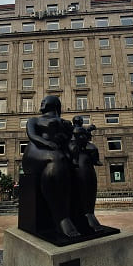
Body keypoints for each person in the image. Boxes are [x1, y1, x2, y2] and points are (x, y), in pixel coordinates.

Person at [22, 95, 80, 238]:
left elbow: (70, 141)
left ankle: (87, 214)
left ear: (54, 104)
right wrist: (48, 143)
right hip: (35, 152)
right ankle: (61, 218)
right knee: (56, 159)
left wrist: (68, 137)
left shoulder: (65, 122)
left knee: (81, 165)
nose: (41, 103)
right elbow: (32, 135)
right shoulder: (34, 120)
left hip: (57, 152)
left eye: (45, 101)